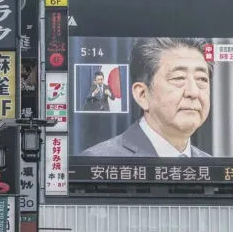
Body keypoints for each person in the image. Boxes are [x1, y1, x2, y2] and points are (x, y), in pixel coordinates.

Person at [80, 37, 213, 157]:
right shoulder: (100, 159)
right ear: (142, 94)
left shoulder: (211, 165)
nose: (193, 92)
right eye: (178, 78)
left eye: (202, 79)